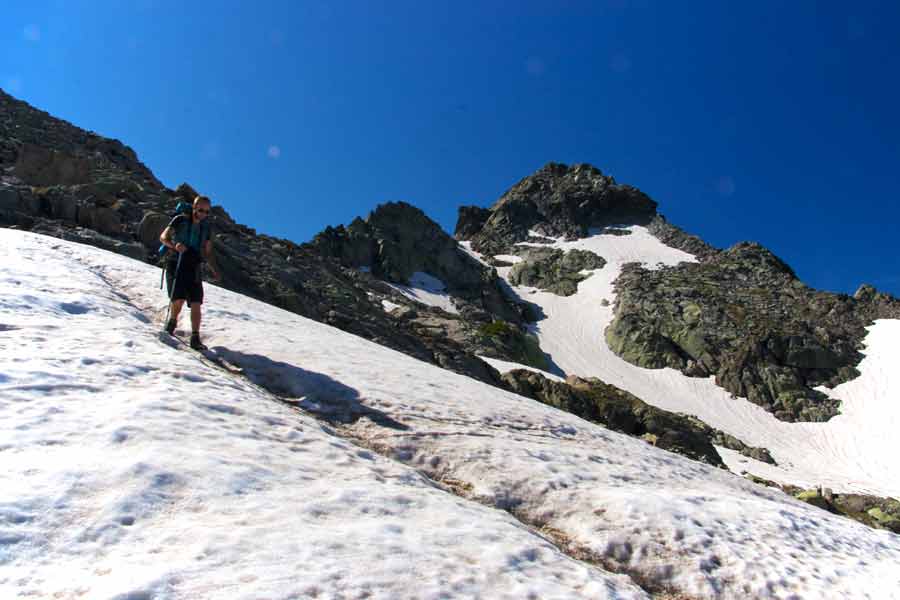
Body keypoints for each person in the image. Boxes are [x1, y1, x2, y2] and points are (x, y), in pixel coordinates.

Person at [159, 195, 220, 349]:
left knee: (196, 301)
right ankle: (172, 321)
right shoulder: (180, 219)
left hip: (194, 265)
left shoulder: (206, 228)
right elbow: (163, 237)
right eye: (200, 210)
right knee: (178, 299)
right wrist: (175, 245)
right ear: (194, 208)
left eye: (207, 212)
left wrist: (214, 269)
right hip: (177, 260)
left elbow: (207, 251)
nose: (203, 214)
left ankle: (195, 337)